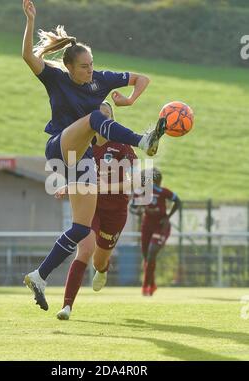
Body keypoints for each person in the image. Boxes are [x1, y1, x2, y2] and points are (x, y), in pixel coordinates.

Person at [22, 0, 166, 311]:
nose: (90, 70)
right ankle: (144, 139)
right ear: (70, 67)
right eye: (84, 66)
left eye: (92, 64)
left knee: (80, 228)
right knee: (94, 118)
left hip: (83, 159)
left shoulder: (100, 79)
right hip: (61, 147)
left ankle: (39, 275)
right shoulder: (55, 78)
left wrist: (128, 100)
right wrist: (30, 21)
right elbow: (26, 56)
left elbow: (143, 79)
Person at [55, 101, 138, 320]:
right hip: (90, 207)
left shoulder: (122, 146)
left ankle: (102, 270)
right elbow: (77, 175)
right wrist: (69, 186)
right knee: (85, 248)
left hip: (116, 212)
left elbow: (135, 181)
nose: (103, 118)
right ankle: (67, 306)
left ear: (112, 120)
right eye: (99, 114)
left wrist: (105, 187)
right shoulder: (84, 146)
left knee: (99, 261)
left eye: (107, 114)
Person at [130, 168, 181, 296]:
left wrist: (168, 218)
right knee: (147, 256)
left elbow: (178, 201)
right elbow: (132, 207)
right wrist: (139, 211)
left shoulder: (162, 191)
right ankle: (152, 285)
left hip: (160, 226)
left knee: (152, 253)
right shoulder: (141, 192)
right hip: (147, 225)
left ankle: (146, 287)